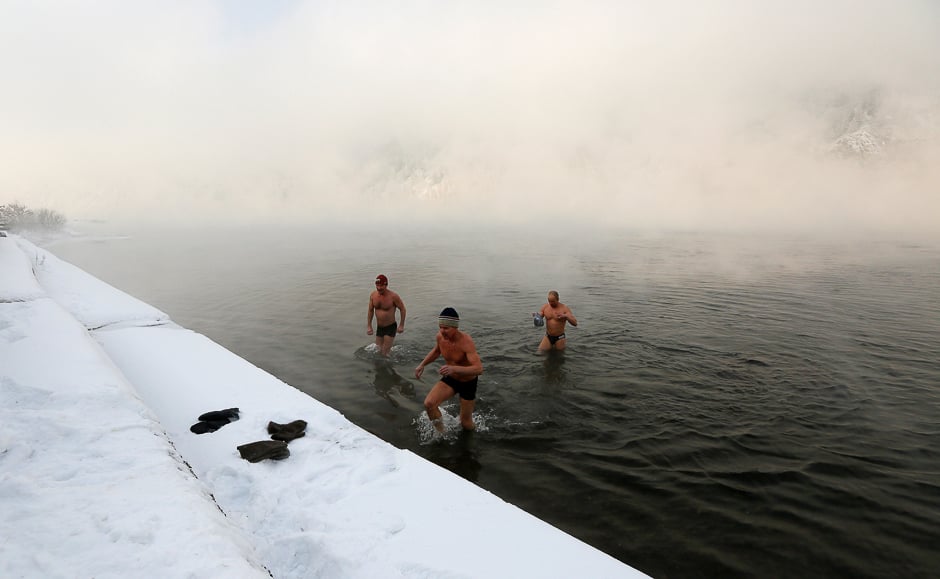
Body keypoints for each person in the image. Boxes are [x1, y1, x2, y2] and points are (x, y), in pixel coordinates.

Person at [415, 307, 483, 431]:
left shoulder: (466, 342)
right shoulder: (440, 337)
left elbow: (478, 369)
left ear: (455, 327)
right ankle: (442, 433)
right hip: (451, 378)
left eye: (446, 328)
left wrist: (454, 369)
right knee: (429, 404)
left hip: (468, 382)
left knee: (466, 423)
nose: (442, 331)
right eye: (440, 327)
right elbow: (436, 351)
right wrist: (422, 364)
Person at [366, 274, 406, 356]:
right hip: (380, 327)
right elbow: (370, 310)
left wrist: (401, 325)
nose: (379, 288)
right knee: (378, 351)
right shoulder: (373, 295)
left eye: (381, 286)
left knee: (384, 354)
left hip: (390, 327)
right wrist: (369, 326)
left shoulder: (393, 296)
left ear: (386, 284)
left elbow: (403, 309)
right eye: (377, 285)